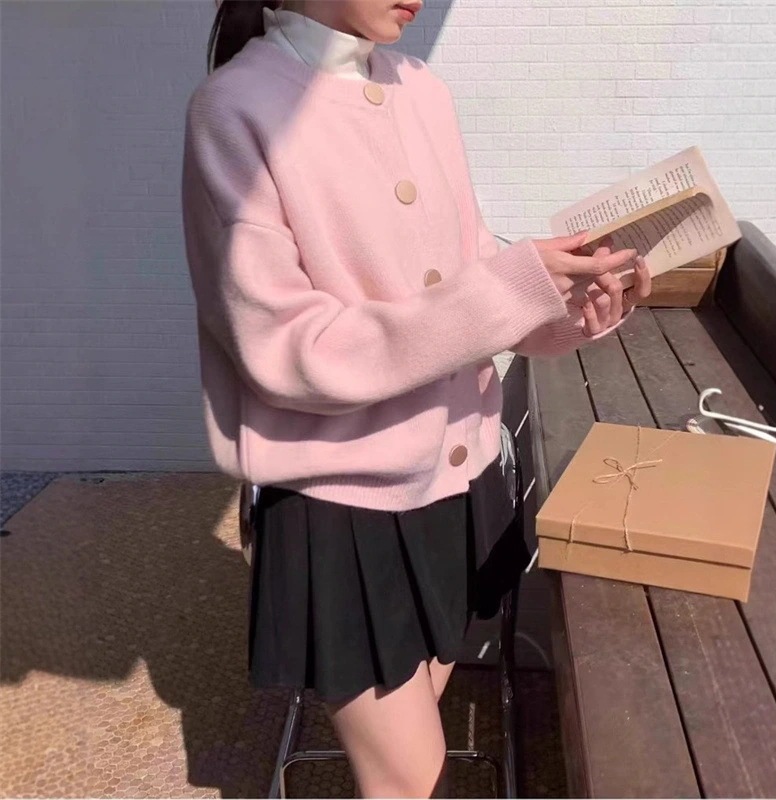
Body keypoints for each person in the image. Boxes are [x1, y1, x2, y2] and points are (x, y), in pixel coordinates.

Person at [181, 1, 651, 796]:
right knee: (408, 777)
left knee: (415, 736)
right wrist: (508, 289)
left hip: (458, 480)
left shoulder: (422, 89)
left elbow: (467, 277)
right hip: (342, 506)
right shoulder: (235, 110)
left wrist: (568, 311)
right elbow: (286, 350)